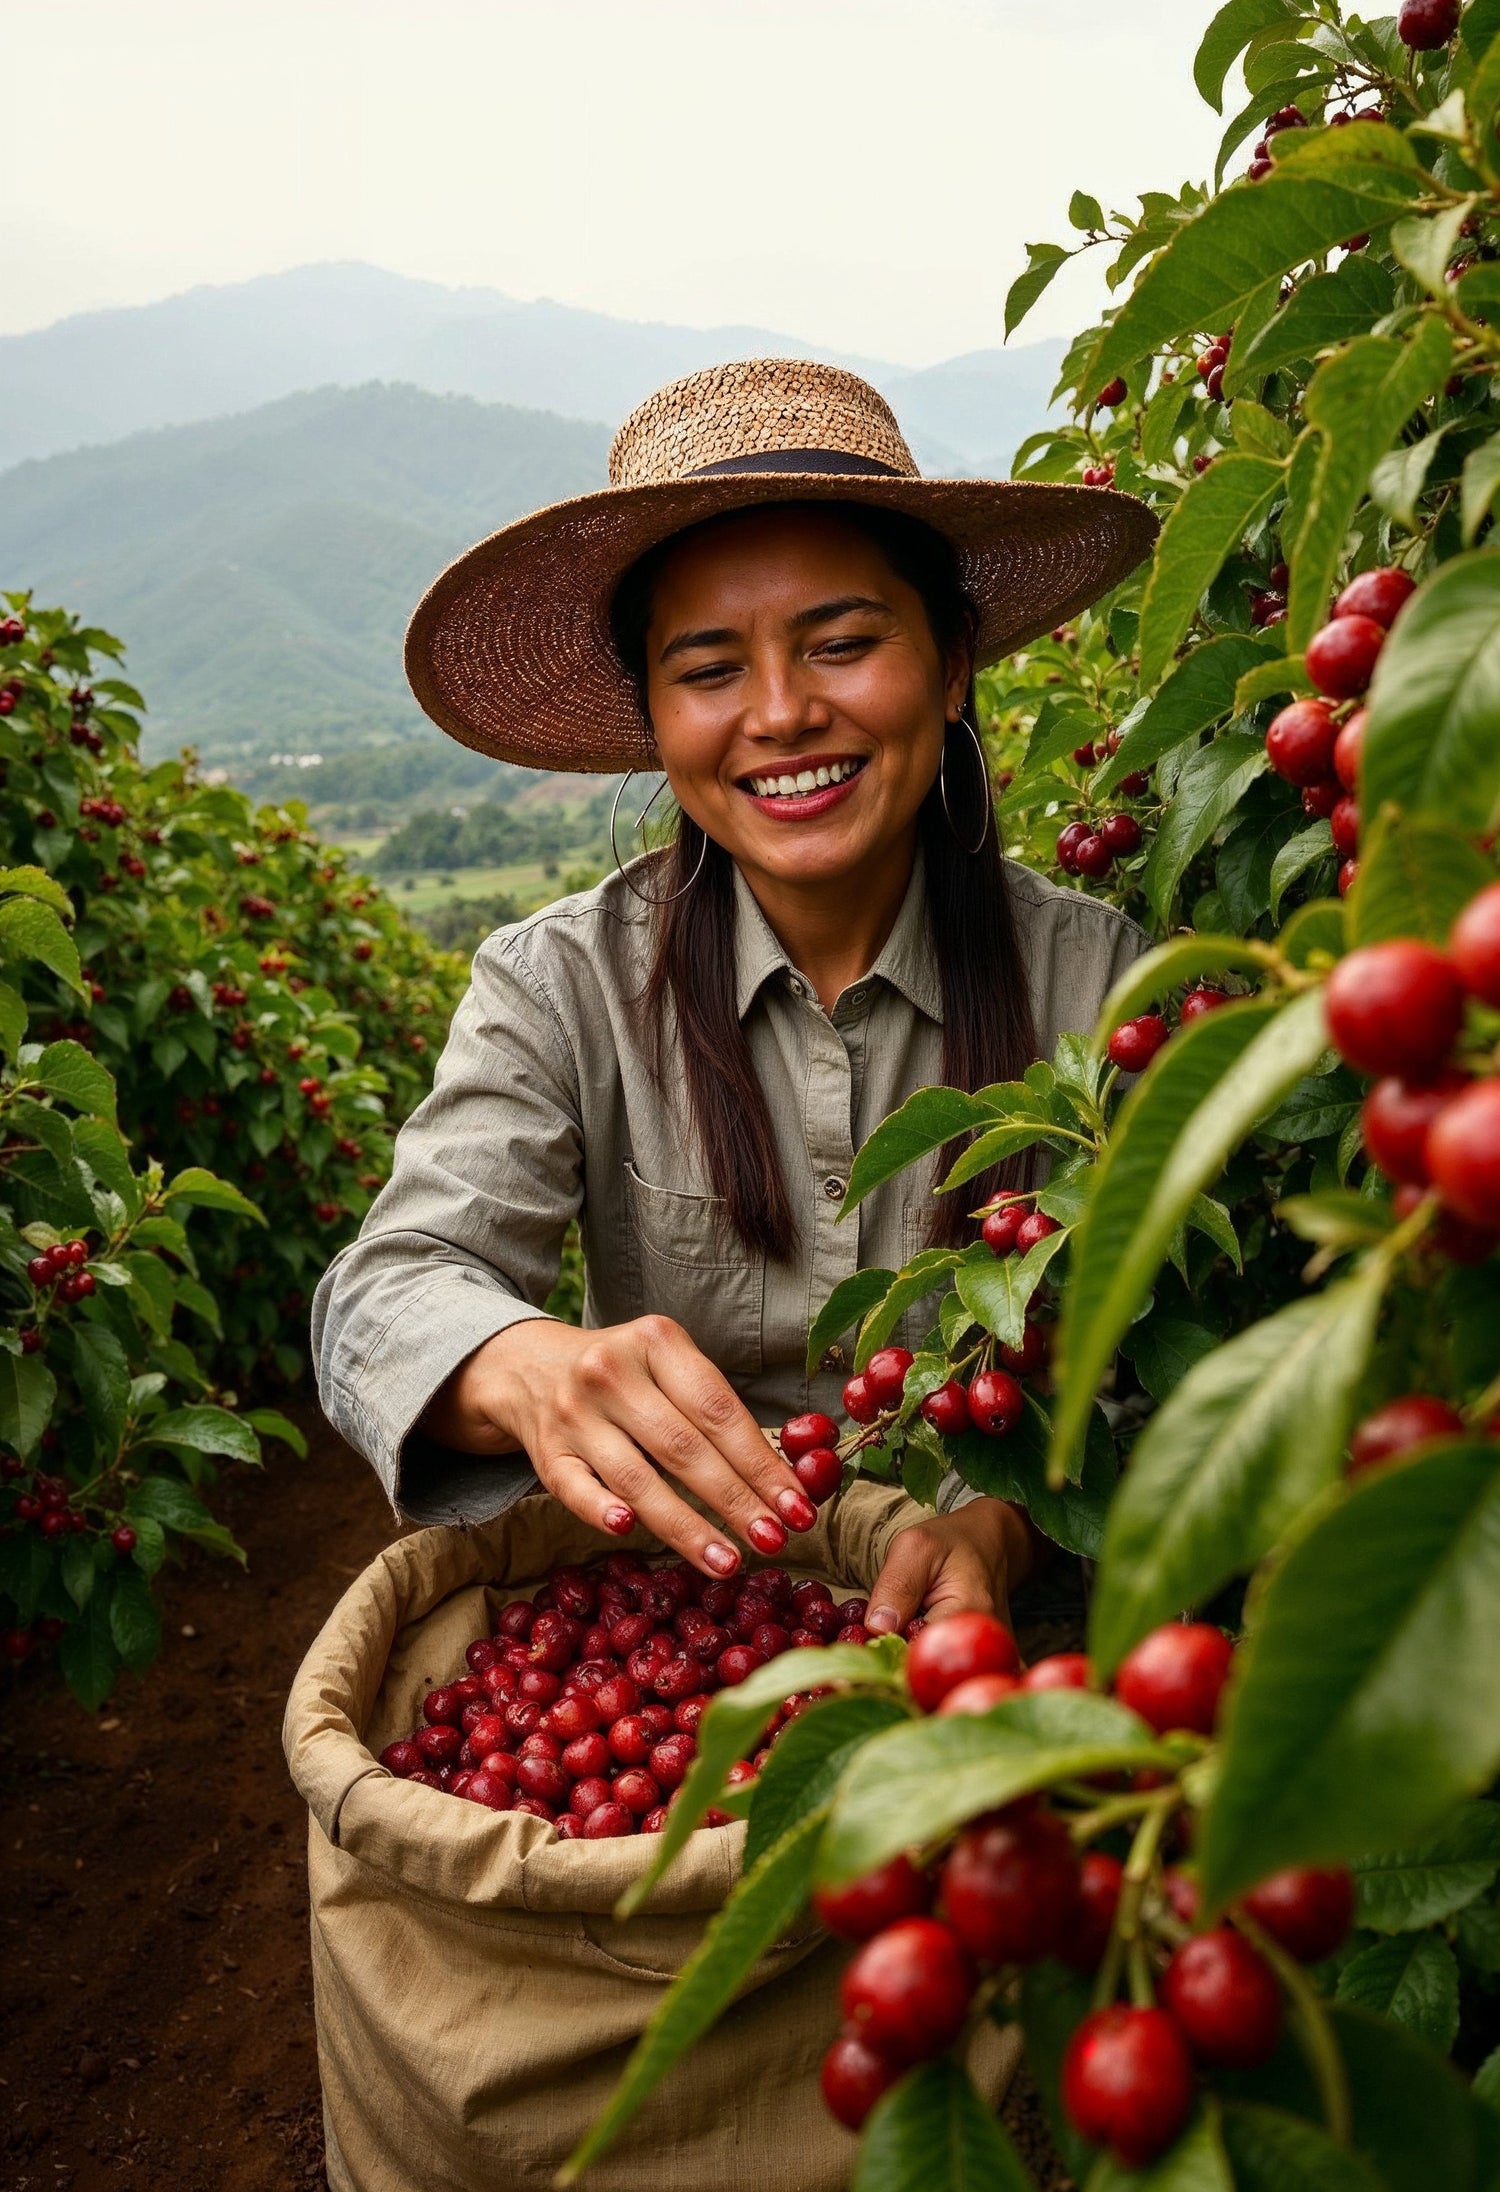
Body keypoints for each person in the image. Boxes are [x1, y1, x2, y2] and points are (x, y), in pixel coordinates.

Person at [313, 358, 1154, 1634]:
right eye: (709, 670)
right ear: (652, 718)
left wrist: (1012, 1516)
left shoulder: (1099, 985)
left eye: (843, 643)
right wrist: (531, 1366)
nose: (781, 712)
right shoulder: (561, 986)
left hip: (995, 1664)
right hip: (683, 1625)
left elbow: (1165, 1366)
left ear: (952, 666)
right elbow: (385, 1290)